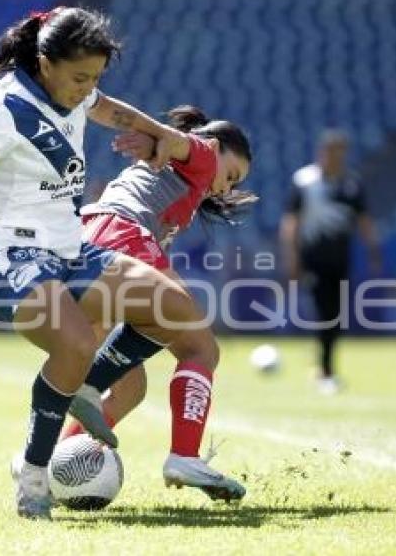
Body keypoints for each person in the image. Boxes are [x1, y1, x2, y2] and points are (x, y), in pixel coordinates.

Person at [0, 7, 210, 519]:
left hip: (71, 251)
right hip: (12, 256)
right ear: (45, 63)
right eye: (81, 78)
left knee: (175, 310)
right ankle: (34, 478)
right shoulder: (8, 107)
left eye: (96, 79)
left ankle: (84, 387)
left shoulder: (78, 93)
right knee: (77, 343)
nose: (88, 90)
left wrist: (164, 139)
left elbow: (117, 112)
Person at [59, 105, 254, 502]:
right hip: (122, 233)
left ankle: (49, 461)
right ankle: (183, 455)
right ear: (215, 147)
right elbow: (180, 141)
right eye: (231, 174)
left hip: (84, 237)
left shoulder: (174, 168)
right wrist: (148, 130)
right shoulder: (201, 154)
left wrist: (152, 140)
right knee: (200, 344)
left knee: (131, 389)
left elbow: (169, 144)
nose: (227, 188)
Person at [279, 130, 380, 394]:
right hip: (313, 259)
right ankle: (326, 370)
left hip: (340, 259)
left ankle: (324, 365)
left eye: (339, 151)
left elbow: (364, 221)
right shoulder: (305, 182)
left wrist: (373, 251)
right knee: (326, 311)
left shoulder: (352, 184)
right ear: (321, 152)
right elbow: (291, 222)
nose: (334, 156)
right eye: (330, 150)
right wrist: (292, 256)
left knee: (336, 314)